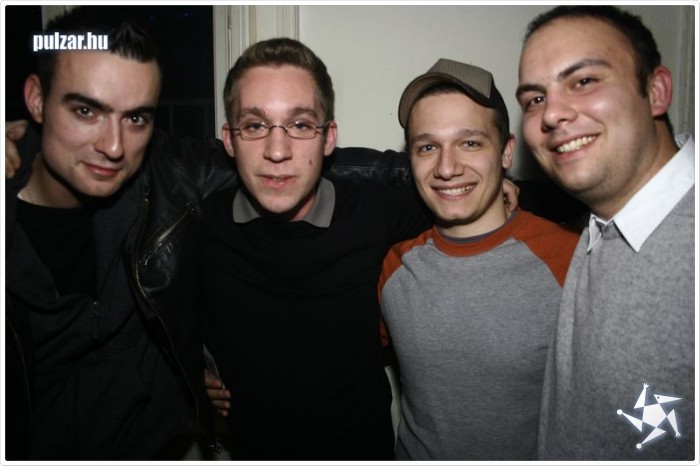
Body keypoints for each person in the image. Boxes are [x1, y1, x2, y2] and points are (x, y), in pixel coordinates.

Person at [2, 7, 240, 460]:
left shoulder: (164, 177)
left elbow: (273, 158)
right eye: (86, 110)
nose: (114, 147)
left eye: (136, 119)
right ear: (36, 100)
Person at [516, 5, 695, 460]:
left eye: (583, 81)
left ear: (655, 92)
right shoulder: (603, 218)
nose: (552, 114)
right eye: (534, 99)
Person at [378, 58, 580, 460]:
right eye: (427, 147)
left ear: (506, 152)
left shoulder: (570, 260)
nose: (447, 168)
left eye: (469, 143)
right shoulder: (395, 267)